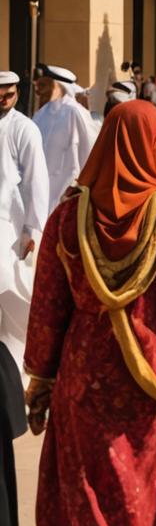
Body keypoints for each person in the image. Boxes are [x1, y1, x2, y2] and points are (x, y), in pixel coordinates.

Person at [27, 99, 156, 526]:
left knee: (93, 489)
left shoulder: (68, 217)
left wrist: (41, 381)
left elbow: (48, 308)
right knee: (152, 488)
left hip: (85, 374)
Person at [0, 74, 44, 360]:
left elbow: (35, 182)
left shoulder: (24, 128)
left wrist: (31, 230)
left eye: (9, 94)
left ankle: (23, 371)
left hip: (10, 228)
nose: (4, 100)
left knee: (14, 296)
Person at [30, 66, 95, 200]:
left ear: (59, 87)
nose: (38, 91)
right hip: (40, 190)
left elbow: (89, 148)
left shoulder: (75, 112)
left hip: (66, 191)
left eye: (44, 86)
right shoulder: (40, 114)